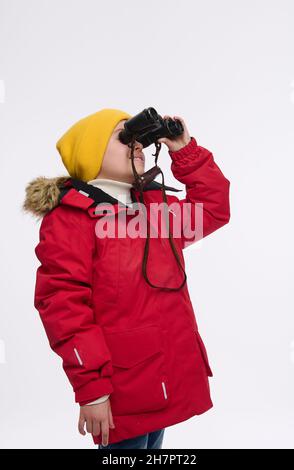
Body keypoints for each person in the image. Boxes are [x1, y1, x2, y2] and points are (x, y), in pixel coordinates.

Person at [23, 107, 230, 449]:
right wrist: (92, 391)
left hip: (161, 378)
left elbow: (213, 208)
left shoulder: (155, 210)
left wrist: (184, 149)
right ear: (91, 153)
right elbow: (63, 307)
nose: (136, 145)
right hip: (120, 387)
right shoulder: (72, 218)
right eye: (123, 136)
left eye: (138, 138)